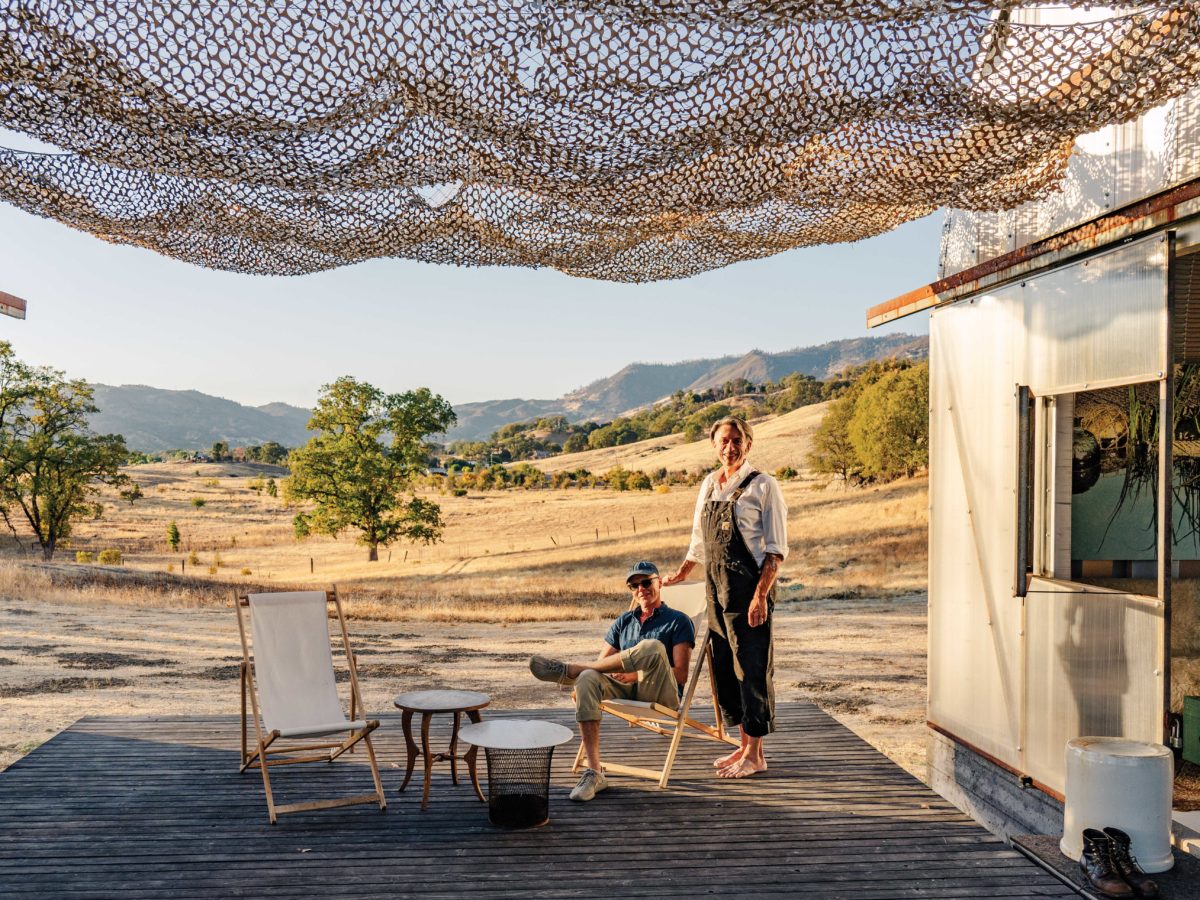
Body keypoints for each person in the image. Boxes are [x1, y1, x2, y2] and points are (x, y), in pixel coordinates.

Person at [662, 415, 787, 779]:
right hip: (715, 589)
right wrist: (681, 574)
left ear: (748, 444)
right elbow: (699, 543)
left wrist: (760, 597)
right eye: (723, 441)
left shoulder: (763, 486)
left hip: (748, 590)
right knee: (726, 671)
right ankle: (743, 747)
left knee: (752, 670)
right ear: (713, 445)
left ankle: (756, 754)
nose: (729, 447)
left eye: (736, 441)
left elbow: (775, 552)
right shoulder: (708, 484)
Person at [529, 560, 694, 802]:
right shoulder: (624, 622)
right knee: (587, 678)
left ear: (659, 583)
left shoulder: (678, 620)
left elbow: (680, 675)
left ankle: (572, 669)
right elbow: (601, 666)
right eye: (634, 586)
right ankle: (595, 773)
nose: (641, 589)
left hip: (661, 694)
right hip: (627, 693)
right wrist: (593, 680)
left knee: (652, 647)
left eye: (646, 582)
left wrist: (636, 674)